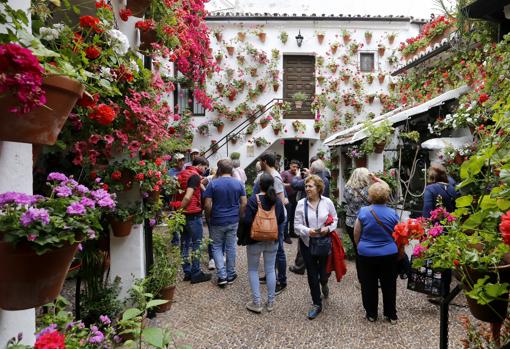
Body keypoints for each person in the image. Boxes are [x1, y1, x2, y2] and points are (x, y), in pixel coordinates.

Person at [354, 182, 399, 324]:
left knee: (368, 284)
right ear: (387, 196)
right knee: (389, 284)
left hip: (367, 254)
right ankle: (391, 314)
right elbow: (398, 234)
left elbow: (357, 233)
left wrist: (361, 246)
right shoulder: (393, 213)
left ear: (370, 195)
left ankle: (371, 313)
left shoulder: (363, 212)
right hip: (389, 254)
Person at [294, 175, 338, 320]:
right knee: (312, 274)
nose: (307, 189)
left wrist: (328, 228)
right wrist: (308, 231)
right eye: (306, 186)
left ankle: (324, 283)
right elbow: (296, 226)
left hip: (324, 243)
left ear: (318, 188)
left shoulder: (327, 202)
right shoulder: (301, 204)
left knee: (323, 272)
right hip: (307, 244)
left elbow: (335, 219)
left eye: (310, 186)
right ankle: (316, 304)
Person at [241, 173, 285, 313]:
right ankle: (270, 302)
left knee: (253, 270)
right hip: (272, 240)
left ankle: (256, 303)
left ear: (260, 185)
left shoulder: (254, 199)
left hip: (255, 239)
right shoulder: (277, 200)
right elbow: (282, 219)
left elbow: (247, 220)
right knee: (270, 269)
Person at [204, 159, 247, 287]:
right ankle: (230, 274)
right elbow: (244, 202)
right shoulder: (239, 184)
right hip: (233, 220)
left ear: (220, 170)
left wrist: (209, 216)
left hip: (217, 220)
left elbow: (207, 204)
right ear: (231, 170)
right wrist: (238, 215)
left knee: (216, 247)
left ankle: (222, 277)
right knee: (231, 247)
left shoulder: (213, 184)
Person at [253, 153, 288, 295]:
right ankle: (270, 275)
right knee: (271, 248)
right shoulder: (268, 175)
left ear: (265, 161)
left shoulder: (275, 177)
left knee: (279, 249)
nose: (259, 163)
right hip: (271, 217)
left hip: (277, 219)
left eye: (260, 161)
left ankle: (282, 281)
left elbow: (281, 201)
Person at [289, 159, 331, 275]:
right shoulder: (326, 179)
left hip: (309, 210)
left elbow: (294, 184)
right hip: (322, 212)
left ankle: (300, 267)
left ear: (312, 169)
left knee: (304, 238)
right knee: (320, 237)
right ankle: (320, 266)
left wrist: (298, 176)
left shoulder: (310, 181)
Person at [175, 156, 212, 284]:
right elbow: (188, 196)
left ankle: (187, 272)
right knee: (197, 243)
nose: (205, 170)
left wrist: (178, 212)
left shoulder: (182, 174)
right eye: (205, 167)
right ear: (200, 165)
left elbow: (200, 188)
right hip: (192, 213)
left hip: (183, 215)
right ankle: (196, 273)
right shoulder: (195, 176)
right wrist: (179, 209)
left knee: (184, 243)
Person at [343, 167, 372, 282]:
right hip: (366, 222)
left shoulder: (347, 188)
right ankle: (370, 275)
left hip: (350, 222)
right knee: (368, 248)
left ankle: (361, 277)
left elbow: (346, 201)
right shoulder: (369, 189)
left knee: (357, 250)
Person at [281, 160, 301, 243]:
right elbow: (280, 183)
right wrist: (290, 184)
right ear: (290, 166)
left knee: (294, 216)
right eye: (293, 166)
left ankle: (292, 232)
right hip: (287, 197)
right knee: (287, 216)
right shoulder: (285, 173)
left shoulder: (298, 175)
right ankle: (286, 236)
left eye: (296, 167)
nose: (295, 168)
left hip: (295, 198)